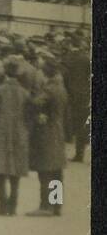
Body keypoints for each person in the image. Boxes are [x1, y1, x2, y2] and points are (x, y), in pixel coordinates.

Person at [0, 58, 32, 216]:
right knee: (15, 172)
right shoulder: (25, 93)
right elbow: (29, 117)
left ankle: (2, 206)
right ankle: (13, 206)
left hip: (0, 132)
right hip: (19, 133)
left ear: (5, 73)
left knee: (0, 171)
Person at [28, 58, 68, 216]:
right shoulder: (61, 88)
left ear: (48, 71)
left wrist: (30, 97)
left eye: (44, 69)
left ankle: (45, 206)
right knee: (57, 171)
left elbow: (35, 103)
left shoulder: (49, 89)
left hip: (46, 133)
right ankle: (56, 205)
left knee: (44, 171)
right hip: (58, 132)